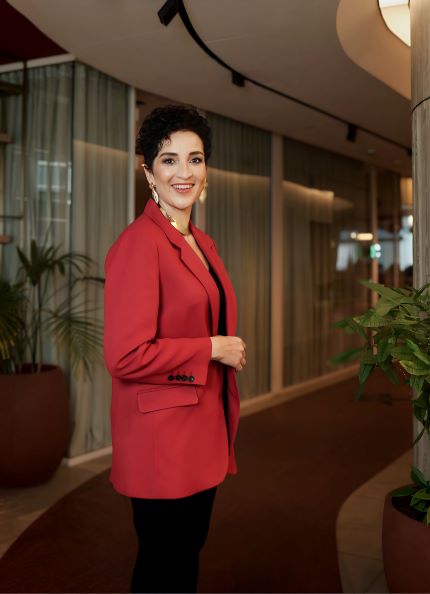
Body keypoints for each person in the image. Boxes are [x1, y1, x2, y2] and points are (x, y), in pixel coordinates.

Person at [103, 104, 246, 593]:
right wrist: (210, 348)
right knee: (163, 565)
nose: (184, 172)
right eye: (169, 160)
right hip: (162, 441)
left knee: (185, 557)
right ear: (148, 172)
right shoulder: (139, 244)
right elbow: (125, 355)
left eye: (195, 159)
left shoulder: (200, 242)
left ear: (206, 170)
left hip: (199, 430)